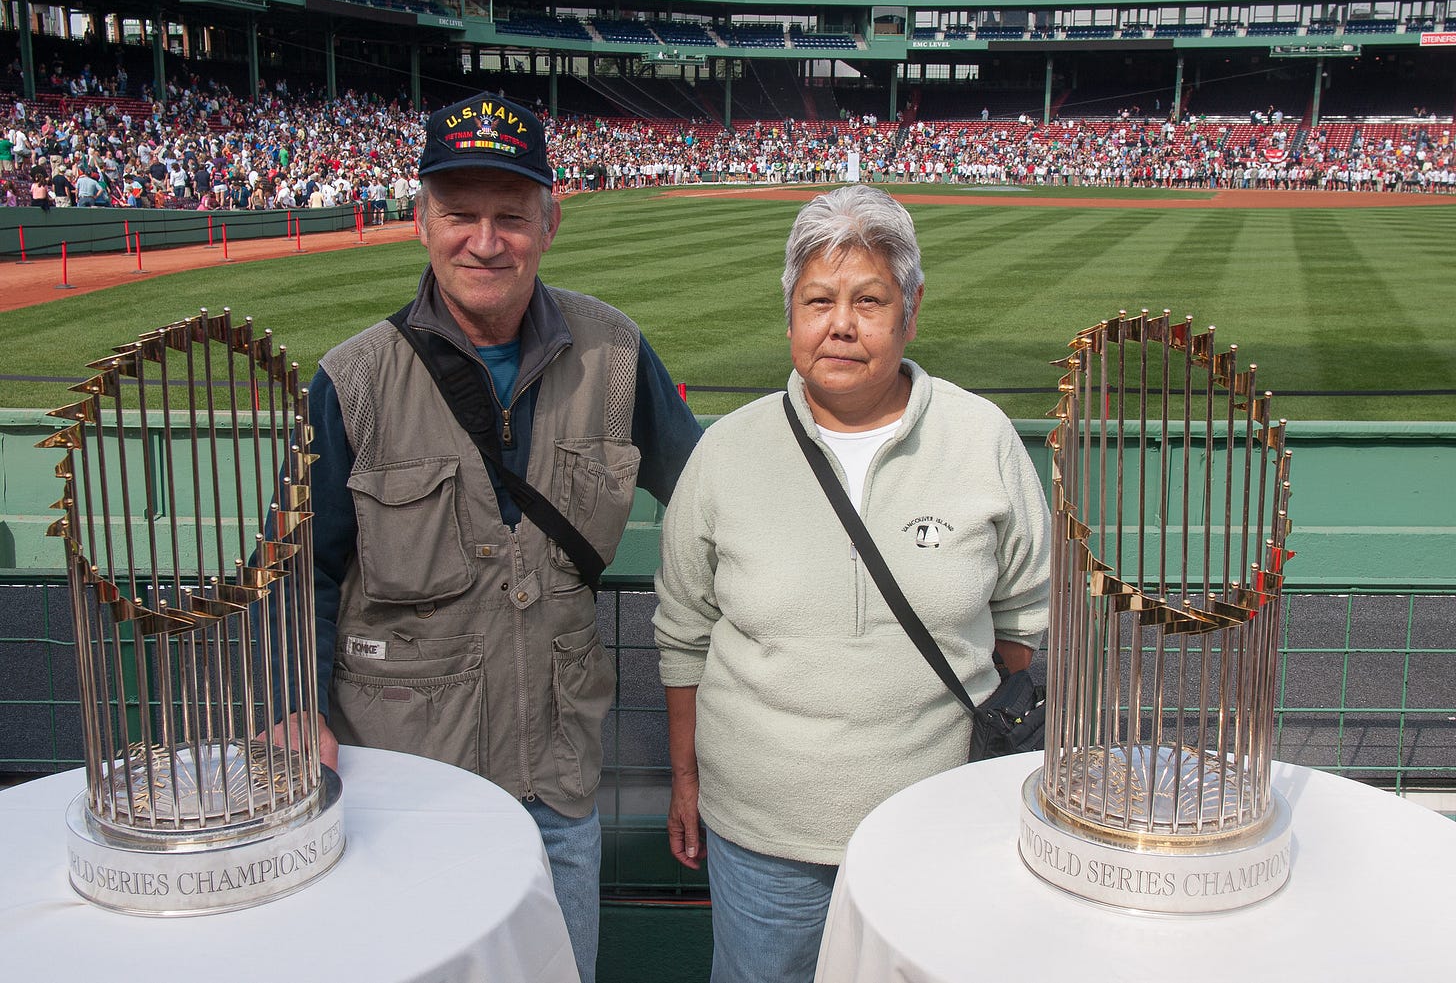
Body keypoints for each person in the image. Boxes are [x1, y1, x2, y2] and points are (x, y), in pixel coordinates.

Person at [276, 91, 701, 983]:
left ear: (550, 222)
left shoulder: (615, 354)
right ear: (421, 221)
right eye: (460, 213)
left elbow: (711, 495)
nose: (485, 239)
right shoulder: (352, 380)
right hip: (405, 787)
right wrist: (295, 701)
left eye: (510, 215)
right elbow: (296, 570)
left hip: (558, 777)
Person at [653, 184, 1050, 983]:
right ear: (791, 313)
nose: (841, 324)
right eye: (818, 300)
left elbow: (1023, 619)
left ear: (911, 309)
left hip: (936, 824)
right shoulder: (728, 452)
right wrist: (686, 778)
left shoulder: (982, 439)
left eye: (869, 299)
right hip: (764, 838)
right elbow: (683, 632)